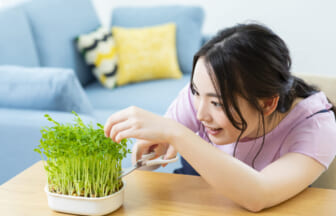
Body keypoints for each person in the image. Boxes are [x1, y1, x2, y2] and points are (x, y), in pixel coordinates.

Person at [104, 23, 336, 212]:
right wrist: (153, 150)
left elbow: (258, 195)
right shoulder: (206, 91)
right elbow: (157, 151)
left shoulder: (317, 127)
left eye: (217, 103)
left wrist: (174, 133)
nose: (200, 114)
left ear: (267, 103)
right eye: (195, 92)